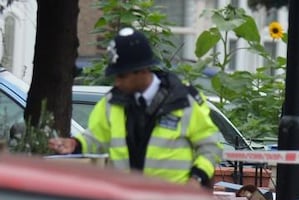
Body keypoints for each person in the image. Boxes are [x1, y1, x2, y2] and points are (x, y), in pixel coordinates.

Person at [49, 28, 222, 187]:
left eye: (122, 75)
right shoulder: (112, 102)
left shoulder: (184, 101)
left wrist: (196, 179)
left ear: (143, 70)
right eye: (115, 75)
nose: (117, 81)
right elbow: (96, 138)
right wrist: (75, 144)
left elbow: (211, 148)